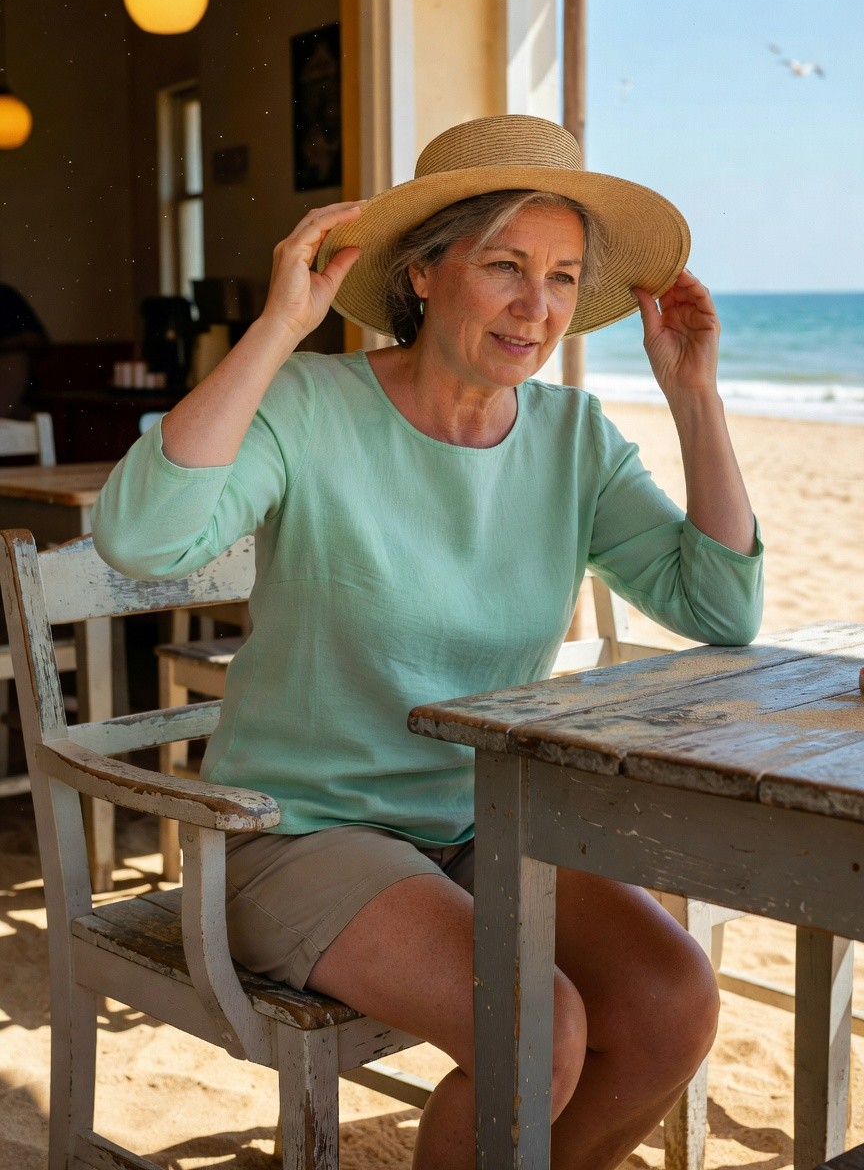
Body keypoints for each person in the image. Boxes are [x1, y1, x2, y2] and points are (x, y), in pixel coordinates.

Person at [91, 114, 763, 1170]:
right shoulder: (311, 406)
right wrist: (276, 330)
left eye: (561, 277)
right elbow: (139, 537)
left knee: (673, 1002)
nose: (536, 307)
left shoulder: (573, 439)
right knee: (536, 1030)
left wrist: (695, 398)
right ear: (421, 273)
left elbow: (722, 609)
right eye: (504, 266)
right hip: (295, 833)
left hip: (480, 823)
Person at [0, 282, 49, 420]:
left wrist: (12, 343)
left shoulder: (5, 297)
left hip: (17, 395)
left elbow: (37, 341)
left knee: (15, 359)